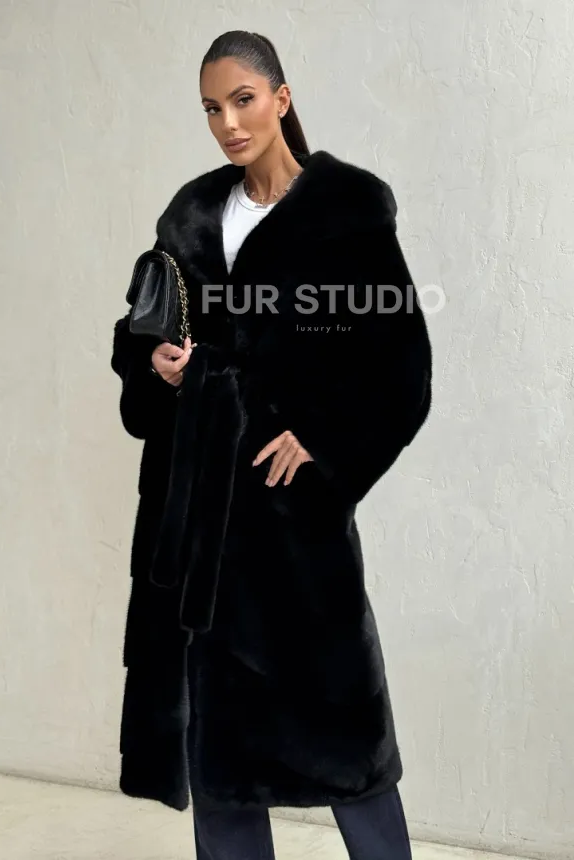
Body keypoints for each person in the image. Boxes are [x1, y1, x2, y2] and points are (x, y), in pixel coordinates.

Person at [111, 29, 432, 860]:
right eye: (211, 108)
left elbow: (401, 368)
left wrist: (323, 444)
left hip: (291, 523)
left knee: (348, 741)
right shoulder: (191, 214)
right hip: (198, 522)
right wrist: (156, 364)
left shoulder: (346, 213)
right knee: (218, 753)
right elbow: (137, 329)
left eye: (243, 100)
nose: (228, 123)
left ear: (281, 99)